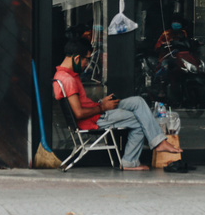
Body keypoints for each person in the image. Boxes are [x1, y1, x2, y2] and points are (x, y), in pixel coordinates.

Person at [54, 34, 181, 170]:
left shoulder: (64, 75)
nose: (87, 64)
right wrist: (103, 107)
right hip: (95, 119)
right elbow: (79, 113)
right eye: (87, 60)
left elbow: (81, 105)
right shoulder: (68, 80)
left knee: (137, 102)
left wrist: (101, 103)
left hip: (96, 111)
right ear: (77, 58)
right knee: (139, 118)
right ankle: (130, 162)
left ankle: (158, 141)